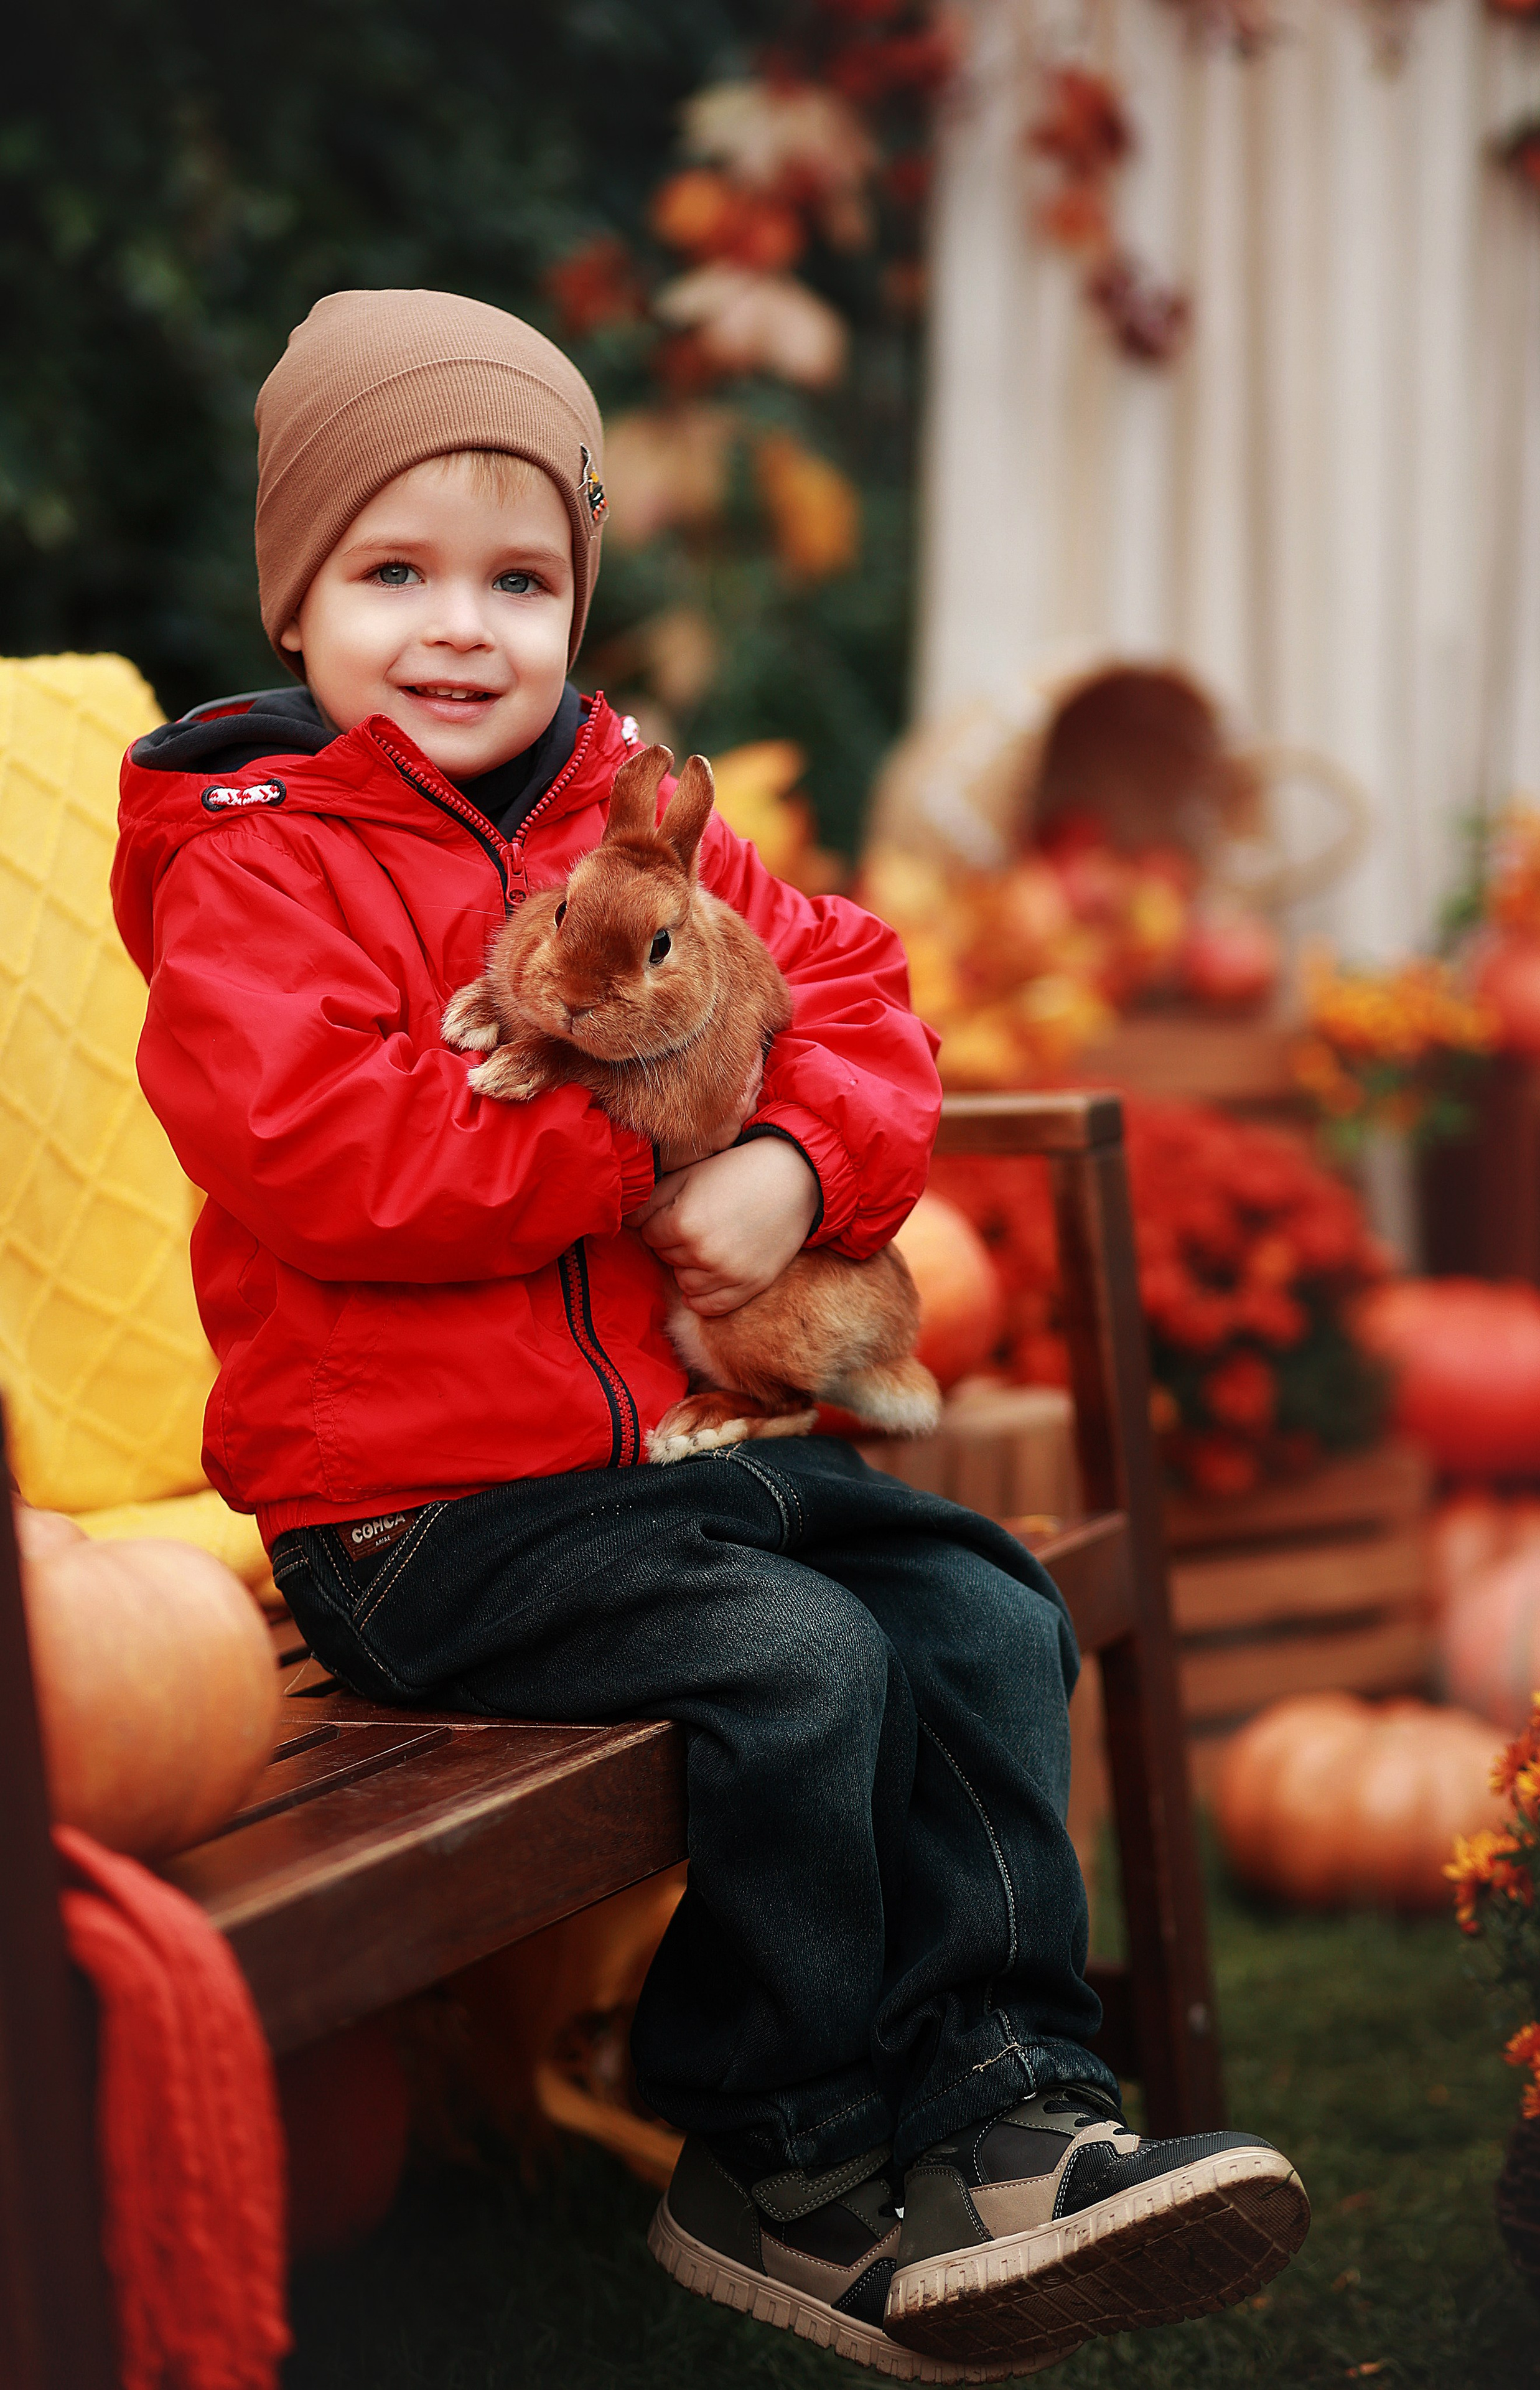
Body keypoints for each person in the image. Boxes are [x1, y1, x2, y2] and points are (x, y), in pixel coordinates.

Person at [111, 288, 1308, 2380]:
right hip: (418, 1523)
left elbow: (854, 997)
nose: (461, 626)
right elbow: (334, 1160)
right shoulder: (252, 866)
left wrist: (802, 1169)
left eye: (519, 576)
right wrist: (646, 1143)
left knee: (973, 1601)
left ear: (582, 594)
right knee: (805, 1661)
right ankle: (778, 2140)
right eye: (393, 573)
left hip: (662, 1473)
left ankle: (1012, 2098)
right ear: (297, 600)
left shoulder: (634, 811)